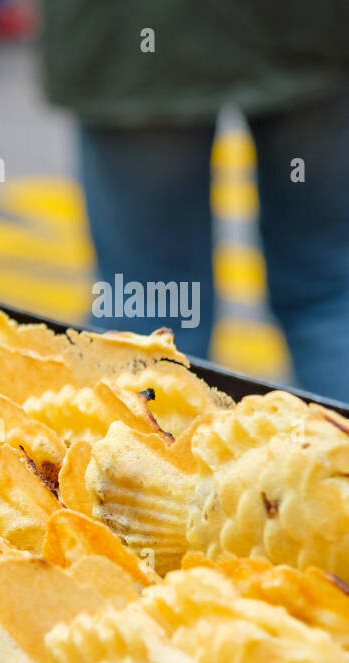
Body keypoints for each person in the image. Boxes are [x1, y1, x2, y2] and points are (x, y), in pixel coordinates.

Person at [40, 0, 349, 401]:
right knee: (327, 294)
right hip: (308, 27)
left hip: (130, 34)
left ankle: (149, 453)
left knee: (150, 306)